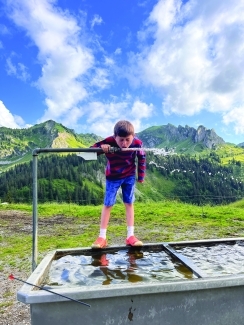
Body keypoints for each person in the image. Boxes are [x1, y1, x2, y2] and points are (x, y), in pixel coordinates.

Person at [90, 120, 146, 249]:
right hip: (113, 177)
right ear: (115, 137)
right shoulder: (109, 140)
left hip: (129, 176)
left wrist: (141, 177)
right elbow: (91, 150)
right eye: (121, 140)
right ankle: (102, 237)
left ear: (133, 136)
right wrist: (102, 148)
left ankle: (130, 236)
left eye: (128, 140)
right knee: (108, 204)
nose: (124, 143)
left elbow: (142, 158)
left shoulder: (137, 143)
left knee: (129, 202)